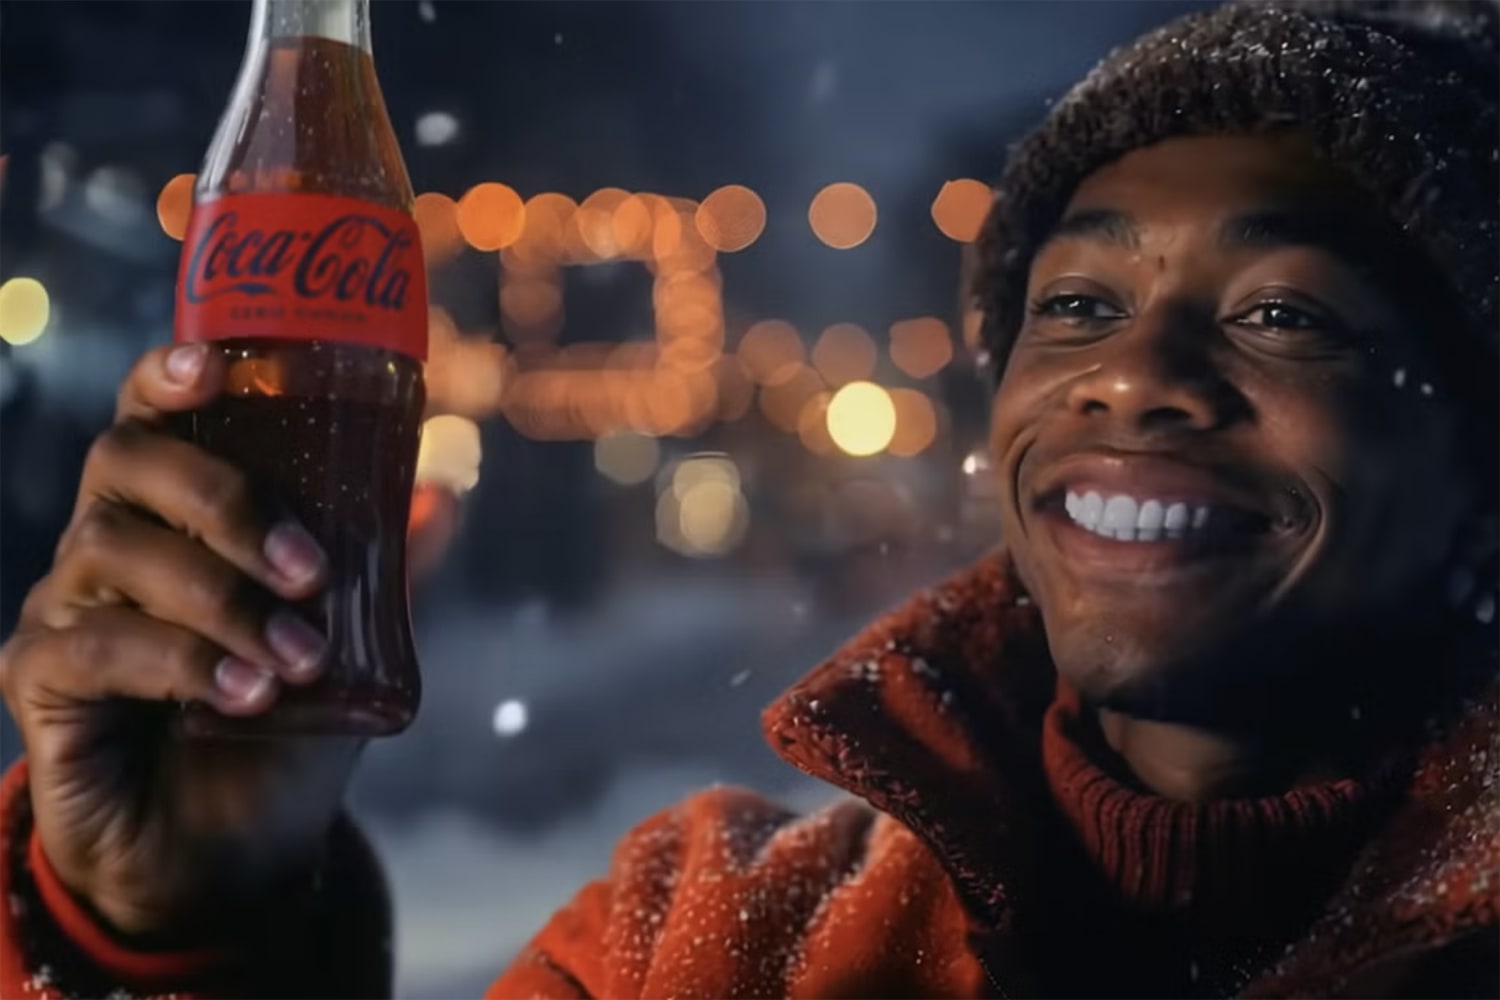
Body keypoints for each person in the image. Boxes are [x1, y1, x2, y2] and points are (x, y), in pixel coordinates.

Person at [2, 0, 1497, 996]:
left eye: (1288, 314)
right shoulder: (709, 941)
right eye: (1079, 303)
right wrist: (167, 924)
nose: (1132, 376)